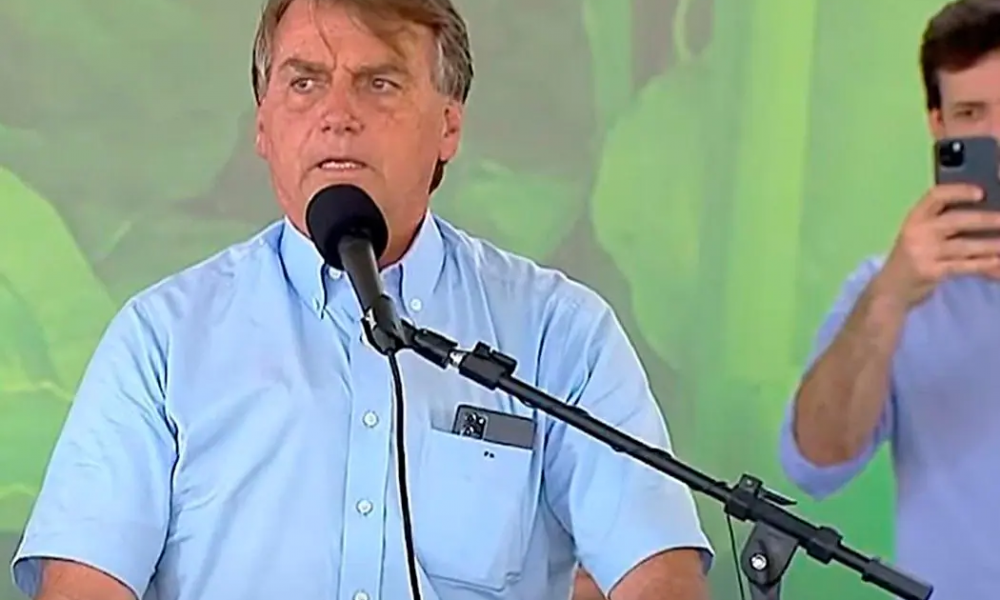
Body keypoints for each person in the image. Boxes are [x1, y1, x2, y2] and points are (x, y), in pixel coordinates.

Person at [9, 1, 713, 599]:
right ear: (264, 126)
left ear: (449, 126)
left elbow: (659, 571)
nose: (336, 115)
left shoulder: (560, 331)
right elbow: (84, 582)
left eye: (379, 83)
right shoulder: (160, 338)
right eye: (304, 83)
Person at [780, 1, 1000, 599]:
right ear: (939, 125)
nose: (995, 137)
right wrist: (890, 299)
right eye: (971, 113)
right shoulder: (886, 291)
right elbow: (814, 463)